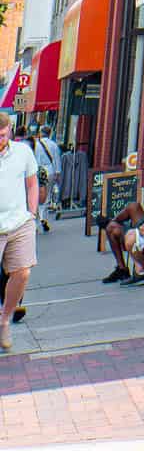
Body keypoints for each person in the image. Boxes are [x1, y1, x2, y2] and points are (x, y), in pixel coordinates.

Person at [0, 110, 40, 350]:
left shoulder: (23, 152)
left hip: (19, 222)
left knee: (23, 272)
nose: (0, 140)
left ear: (10, 131)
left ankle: (4, 319)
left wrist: (32, 214)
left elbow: (32, 182)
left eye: (3, 135)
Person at [32, 126, 60, 231]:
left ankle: (35, 221)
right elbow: (57, 159)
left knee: (36, 195)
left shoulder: (36, 144)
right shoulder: (54, 145)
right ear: (50, 133)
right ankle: (43, 218)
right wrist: (58, 173)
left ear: (40, 133)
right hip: (50, 171)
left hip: (38, 171)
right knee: (47, 196)